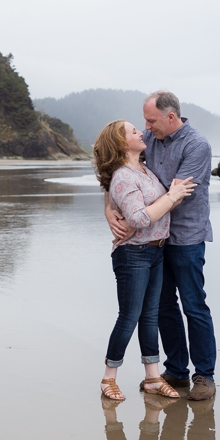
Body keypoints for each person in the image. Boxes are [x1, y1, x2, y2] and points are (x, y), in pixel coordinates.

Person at [106, 91, 217, 401]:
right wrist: (110, 207)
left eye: (151, 120)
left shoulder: (196, 145)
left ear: (171, 117)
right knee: (163, 306)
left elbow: (175, 193)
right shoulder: (151, 140)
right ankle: (177, 370)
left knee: (194, 306)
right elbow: (119, 171)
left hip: (186, 236)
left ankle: (204, 375)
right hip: (154, 239)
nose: (146, 126)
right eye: (143, 121)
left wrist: (135, 216)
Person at [92, 119, 196, 403]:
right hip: (133, 254)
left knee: (150, 316)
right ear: (122, 143)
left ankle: (152, 377)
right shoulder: (125, 176)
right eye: (134, 131)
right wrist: (173, 196)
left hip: (156, 251)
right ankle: (108, 378)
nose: (142, 132)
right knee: (129, 317)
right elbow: (138, 219)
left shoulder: (144, 169)